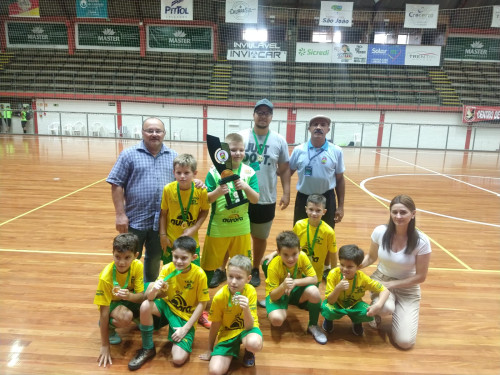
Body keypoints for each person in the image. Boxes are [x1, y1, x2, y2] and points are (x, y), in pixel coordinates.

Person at [107, 117, 180, 283]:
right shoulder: (128, 155)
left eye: (158, 131)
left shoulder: (173, 156)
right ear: (142, 133)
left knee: (154, 259)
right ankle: (127, 290)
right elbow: (116, 184)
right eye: (150, 130)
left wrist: (196, 182)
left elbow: (183, 180)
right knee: (129, 258)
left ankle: (147, 292)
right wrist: (120, 214)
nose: (154, 134)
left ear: (164, 133)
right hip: (134, 219)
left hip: (161, 221)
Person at [360, 194, 431, 350]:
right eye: (394, 212)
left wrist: (392, 284)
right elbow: (371, 257)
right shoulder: (380, 232)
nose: (398, 216)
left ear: (413, 214)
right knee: (386, 308)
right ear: (390, 213)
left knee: (405, 343)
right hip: (381, 279)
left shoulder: (422, 241)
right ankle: (380, 311)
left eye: (403, 212)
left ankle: (401, 311)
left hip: (408, 287)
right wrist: (352, 267)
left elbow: (421, 277)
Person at [128, 236, 209, 370]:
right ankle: (148, 347)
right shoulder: (167, 268)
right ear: (172, 254)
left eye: (184, 258)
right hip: (167, 307)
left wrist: (185, 329)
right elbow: (150, 297)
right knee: (145, 306)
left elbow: (202, 304)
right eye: (176, 257)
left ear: (193, 257)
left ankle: (180, 334)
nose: (179, 261)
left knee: (178, 359)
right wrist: (155, 289)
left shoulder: (199, 275)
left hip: (185, 317)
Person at [239, 98, 291, 287]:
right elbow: (227, 164)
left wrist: (286, 193)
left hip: (266, 197)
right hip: (240, 197)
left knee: (259, 237)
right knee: (238, 235)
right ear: (253, 115)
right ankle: (238, 268)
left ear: (271, 117)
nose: (263, 116)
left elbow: (285, 169)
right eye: (259, 112)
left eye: (266, 113)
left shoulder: (279, 140)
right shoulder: (241, 136)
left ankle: (254, 268)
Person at [289, 114, 345, 279]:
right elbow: (287, 172)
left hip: (327, 197)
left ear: (328, 129)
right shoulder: (299, 150)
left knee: (326, 234)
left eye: (323, 124)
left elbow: (340, 180)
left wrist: (341, 206)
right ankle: (299, 264)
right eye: (315, 124)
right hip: (303, 198)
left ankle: (326, 267)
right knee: (299, 233)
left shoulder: (336, 151)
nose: (318, 127)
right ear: (309, 129)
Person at [159, 153, 211, 328]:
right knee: (170, 276)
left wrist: (193, 229)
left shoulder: (200, 190)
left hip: (190, 244)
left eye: (186, 172)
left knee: (194, 277)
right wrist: (163, 236)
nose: (182, 176)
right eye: (179, 172)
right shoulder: (168, 189)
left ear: (194, 173)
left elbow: (205, 211)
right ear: (173, 172)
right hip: (171, 242)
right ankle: (169, 309)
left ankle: (200, 311)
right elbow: (163, 214)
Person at [201, 133, 260, 288]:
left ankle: (240, 299)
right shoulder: (214, 172)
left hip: (241, 227)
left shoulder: (249, 172)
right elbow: (206, 199)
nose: (238, 153)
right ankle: (202, 299)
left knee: (242, 265)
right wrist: (217, 192)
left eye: (241, 150)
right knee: (208, 265)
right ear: (225, 151)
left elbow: (255, 199)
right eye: (233, 150)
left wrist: (246, 187)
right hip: (218, 227)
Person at [199, 255, 263, 374]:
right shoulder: (219, 297)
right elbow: (215, 325)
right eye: (230, 276)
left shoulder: (251, 292)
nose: (233, 282)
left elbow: (249, 326)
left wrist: (246, 309)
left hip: (246, 330)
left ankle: (249, 352)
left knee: (254, 343)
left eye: (239, 277)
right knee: (215, 371)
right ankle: (232, 349)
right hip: (227, 333)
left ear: (248, 279)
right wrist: (209, 349)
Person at [265, 231, 327, 345]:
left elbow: (314, 279)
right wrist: (283, 286)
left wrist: (295, 282)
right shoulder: (273, 266)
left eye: (294, 254)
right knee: (277, 320)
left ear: (300, 250)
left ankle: (313, 325)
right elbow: (273, 296)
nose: (290, 259)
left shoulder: (302, 256)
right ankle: (274, 308)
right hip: (279, 294)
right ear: (278, 252)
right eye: (286, 255)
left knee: (314, 292)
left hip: (296, 290)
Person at [94, 233, 145, 367]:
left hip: (128, 298)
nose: (121, 262)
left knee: (152, 292)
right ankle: (109, 329)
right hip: (112, 303)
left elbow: (141, 296)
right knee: (125, 316)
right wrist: (105, 345)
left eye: (127, 257)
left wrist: (129, 296)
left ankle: (138, 318)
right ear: (112, 253)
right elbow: (103, 312)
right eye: (117, 257)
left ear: (136, 255)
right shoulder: (106, 277)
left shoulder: (138, 266)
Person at [321, 244, 389, 336]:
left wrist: (378, 305)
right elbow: (330, 301)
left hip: (354, 304)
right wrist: (338, 289)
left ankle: (357, 321)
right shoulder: (333, 274)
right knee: (326, 308)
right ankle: (329, 319)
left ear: (359, 266)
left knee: (368, 312)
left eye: (349, 267)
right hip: (336, 302)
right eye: (342, 264)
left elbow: (385, 290)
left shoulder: (363, 279)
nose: (344, 269)